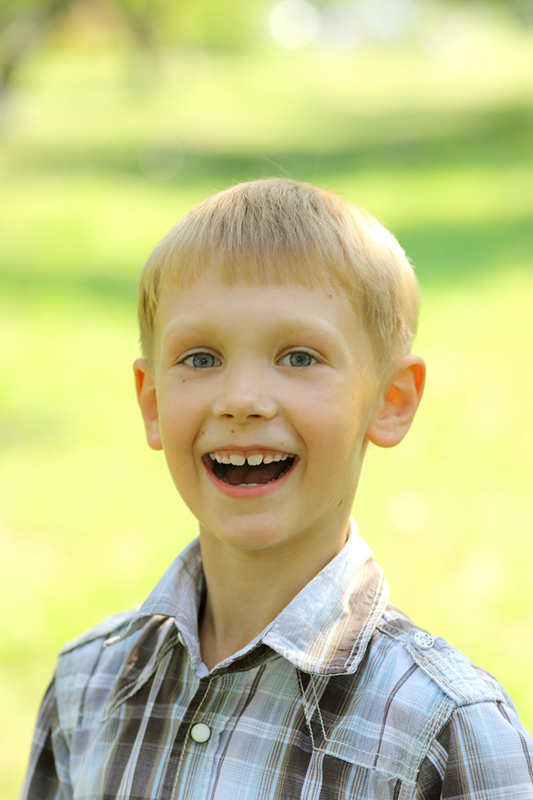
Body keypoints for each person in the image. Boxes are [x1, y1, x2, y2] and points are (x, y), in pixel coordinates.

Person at [20, 179, 533, 799]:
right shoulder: (87, 689)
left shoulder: (446, 732)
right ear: (152, 403)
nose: (241, 400)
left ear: (390, 401)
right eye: (201, 358)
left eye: (298, 357)